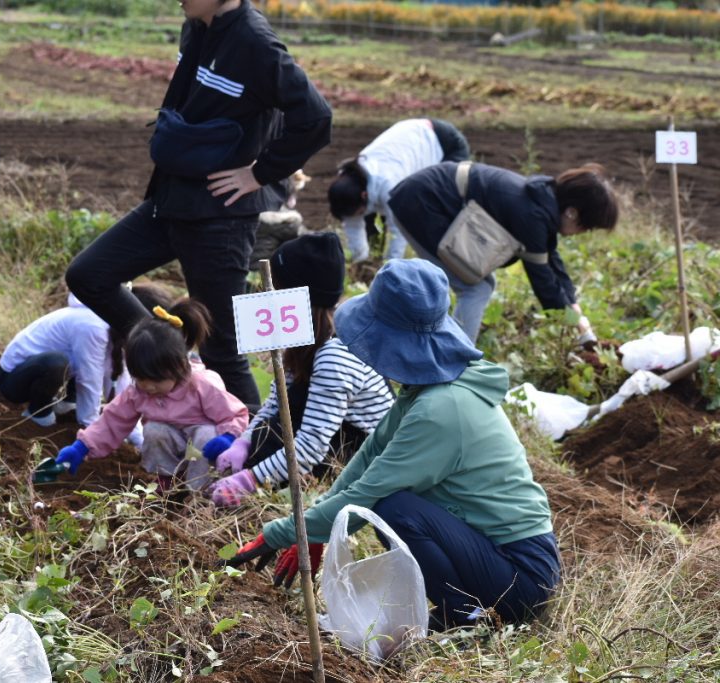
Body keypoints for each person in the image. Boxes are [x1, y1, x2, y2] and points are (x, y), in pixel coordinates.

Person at [227, 259, 560, 631]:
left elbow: (368, 493)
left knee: (393, 507)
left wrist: (283, 531)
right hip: (491, 553)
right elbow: (369, 456)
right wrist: (316, 532)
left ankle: (468, 615)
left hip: (520, 575)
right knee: (391, 504)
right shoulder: (426, 390)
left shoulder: (442, 409)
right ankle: (461, 609)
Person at [64, 0, 332, 410]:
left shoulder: (254, 42)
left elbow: (315, 118)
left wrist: (258, 174)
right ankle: (171, 356)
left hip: (218, 219)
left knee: (222, 349)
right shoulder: (195, 26)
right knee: (88, 275)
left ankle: (256, 458)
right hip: (170, 199)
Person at [206, 232, 395, 507]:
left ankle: (262, 503)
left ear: (295, 298)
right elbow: (276, 401)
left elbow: (310, 446)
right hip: (326, 436)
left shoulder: (335, 355)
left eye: (276, 289)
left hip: (357, 460)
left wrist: (249, 480)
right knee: (261, 421)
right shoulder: (308, 338)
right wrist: (243, 442)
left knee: (272, 439)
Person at [386, 161, 618, 343]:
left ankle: (442, 345)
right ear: (573, 213)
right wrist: (576, 325)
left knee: (480, 284)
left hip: (429, 200)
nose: (584, 232)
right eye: (588, 226)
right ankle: (454, 361)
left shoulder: (542, 200)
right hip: (420, 203)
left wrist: (573, 306)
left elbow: (550, 259)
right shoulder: (532, 215)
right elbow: (544, 282)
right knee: (475, 288)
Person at [52, 301, 249, 492]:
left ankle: (199, 493)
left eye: (155, 380)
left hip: (204, 449)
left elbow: (234, 414)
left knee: (206, 434)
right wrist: (82, 447)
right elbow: (112, 420)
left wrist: (228, 437)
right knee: (155, 430)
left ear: (179, 367)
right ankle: (167, 482)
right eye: (140, 378)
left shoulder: (201, 384)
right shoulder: (138, 392)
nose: (148, 387)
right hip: (174, 443)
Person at [0, 284, 171, 432]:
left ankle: (67, 404)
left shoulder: (115, 325)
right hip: (14, 381)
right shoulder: (93, 326)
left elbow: (120, 381)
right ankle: (37, 412)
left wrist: (135, 435)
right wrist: (93, 429)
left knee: (81, 361)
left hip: (53, 371)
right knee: (58, 364)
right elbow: (90, 378)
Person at [328, 118, 470, 263]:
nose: (358, 215)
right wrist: (360, 261)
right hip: (409, 134)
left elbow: (401, 230)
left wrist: (390, 266)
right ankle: (373, 257)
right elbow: (353, 224)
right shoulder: (347, 185)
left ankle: (458, 261)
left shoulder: (388, 184)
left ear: (364, 195)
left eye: (359, 212)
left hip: (443, 142)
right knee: (371, 219)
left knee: (440, 206)